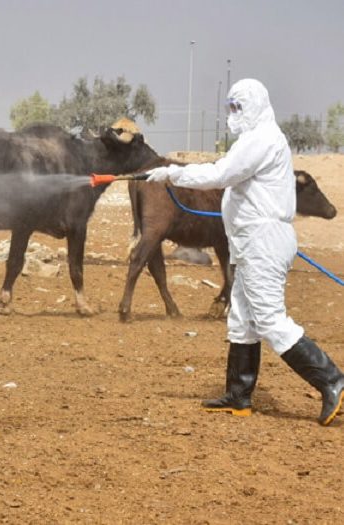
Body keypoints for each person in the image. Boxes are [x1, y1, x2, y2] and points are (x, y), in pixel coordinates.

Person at [146, 78, 344, 426]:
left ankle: (333, 380)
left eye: (238, 107)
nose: (232, 114)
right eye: (230, 107)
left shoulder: (262, 139)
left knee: (269, 319)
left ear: (256, 105)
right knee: (242, 319)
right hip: (250, 241)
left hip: (263, 240)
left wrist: (171, 173)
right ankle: (239, 396)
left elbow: (222, 173)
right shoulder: (255, 140)